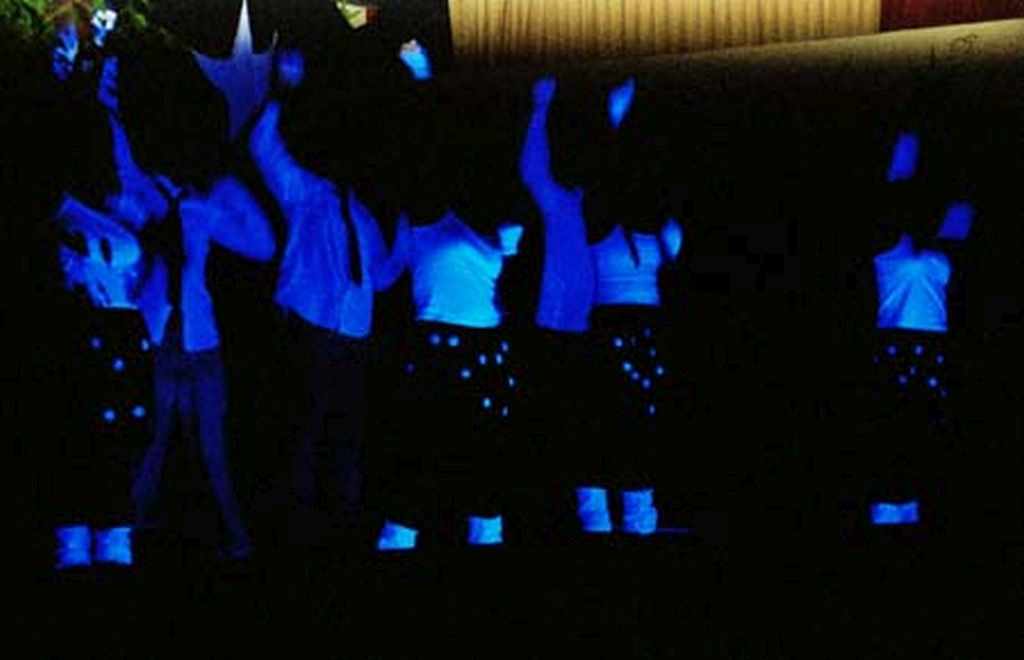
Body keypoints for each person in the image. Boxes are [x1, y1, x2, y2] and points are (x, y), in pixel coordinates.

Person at [248, 47, 408, 546]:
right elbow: (262, 146)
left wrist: (406, 238)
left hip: (353, 337)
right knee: (303, 430)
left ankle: (343, 528)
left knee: (347, 434)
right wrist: (280, 92)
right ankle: (296, 529)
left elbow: (381, 276)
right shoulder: (305, 191)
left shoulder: (362, 213)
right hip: (311, 329)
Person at [375, 44, 525, 551]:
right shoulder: (419, 219)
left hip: (481, 351)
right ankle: (401, 539)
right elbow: (383, 275)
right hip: (439, 348)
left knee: (481, 458)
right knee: (421, 454)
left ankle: (478, 538)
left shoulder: (494, 221)